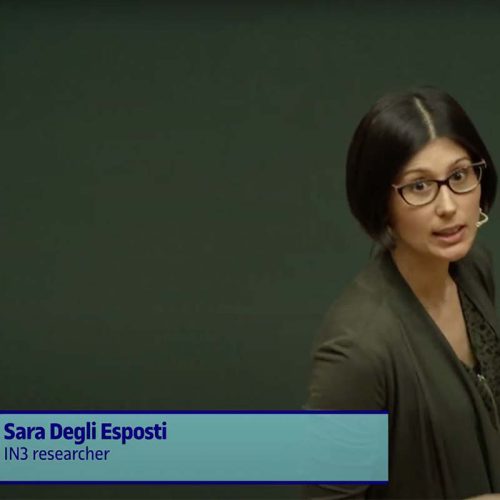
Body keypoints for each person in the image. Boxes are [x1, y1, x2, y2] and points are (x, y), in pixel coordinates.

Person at [305, 86, 500, 499]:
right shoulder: (358, 348)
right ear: (382, 204)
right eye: (420, 186)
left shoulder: (473, 269)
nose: (448, 206)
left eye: (459, 176)